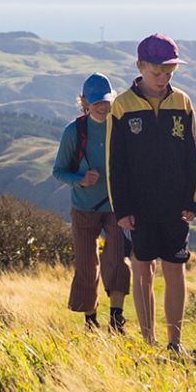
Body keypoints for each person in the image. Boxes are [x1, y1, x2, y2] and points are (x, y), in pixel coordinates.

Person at [107, 34, 196, 354]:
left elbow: (193, 155)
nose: (163, 80)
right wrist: (122, 210)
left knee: (175, 269)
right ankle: (149, 340)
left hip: (175, 205)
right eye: (157, 73)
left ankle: (175, 342)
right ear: (140, 66)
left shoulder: (183, 102)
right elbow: (114, 162)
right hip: (138, 206)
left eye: (169, 74)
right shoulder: (122, 105)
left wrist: (193, 200)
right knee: (143, 268)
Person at [52, 73, 131, 331]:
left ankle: (116, 318)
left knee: (118, 259)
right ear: (85, 101)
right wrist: (81, 180)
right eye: (96, 101)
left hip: (116, 205)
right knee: (87, 264)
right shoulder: (73, 131)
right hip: (84, 207)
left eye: (106, 101)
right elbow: (59, 170)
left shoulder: (120, 127)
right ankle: (90, 321)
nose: (102, 106)